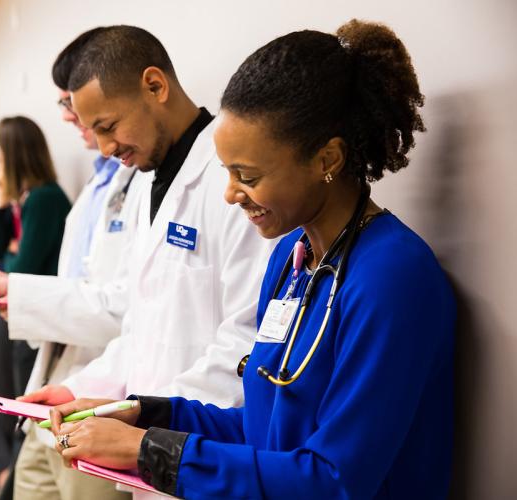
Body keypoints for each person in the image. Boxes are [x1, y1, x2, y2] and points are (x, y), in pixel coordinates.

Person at [48, 20, 456, 500]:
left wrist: (151, 450)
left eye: (248, 175)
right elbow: (265, 428)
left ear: (327, 160)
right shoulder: (291, 259)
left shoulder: (392, 278)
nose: (229, 194)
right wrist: (149, 414)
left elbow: (334, 480)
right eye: (226, 171)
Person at [0, 31, 142, 500]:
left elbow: (116, 303)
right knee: (27, 475)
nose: (66, 114)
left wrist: (10, 285)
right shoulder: (98, 187)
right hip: (63, 359)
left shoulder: (65, 195)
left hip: (98, 375)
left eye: (69, 101)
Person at [0, 116, 71, 499]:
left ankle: (4, 483)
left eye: (1, 156)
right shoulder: (22, 199)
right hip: (8, 313)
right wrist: (0, 203)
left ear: (16, 154)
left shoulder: (45, 198)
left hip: (31, 321)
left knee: (14, 403)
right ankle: (2, 473)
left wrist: (10, 254)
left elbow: (20, 268)